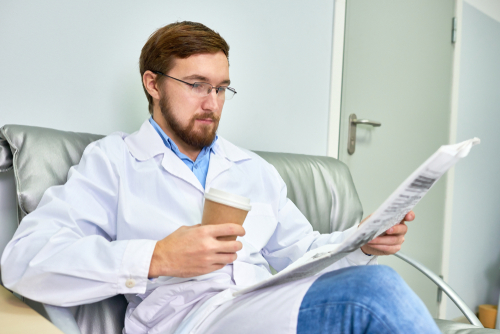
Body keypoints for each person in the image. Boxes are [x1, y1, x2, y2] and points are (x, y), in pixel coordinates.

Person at [1, 21, 440, 334]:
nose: (211, 101)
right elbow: (24, 261)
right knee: (372, 294)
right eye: (196, 84)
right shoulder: (113, 162)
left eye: (220, 87)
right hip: (188, 319)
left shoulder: (252, 170)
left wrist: (358, 242)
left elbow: (301, 253)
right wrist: (156, 257)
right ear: (153, 84)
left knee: (369, 289)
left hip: (259, 306)